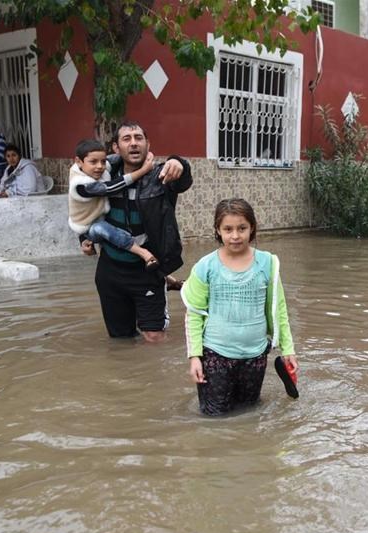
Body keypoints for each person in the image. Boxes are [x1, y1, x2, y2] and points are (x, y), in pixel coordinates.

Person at [181, 198, 298, 416]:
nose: (235, 236)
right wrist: (195, 357)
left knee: (249, 413)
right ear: (218, 230)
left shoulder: (267, 264)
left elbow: (279, 309)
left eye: (242, 228)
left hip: (255, 356)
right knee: (213, 416)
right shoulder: (205, 266)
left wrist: (288, 349)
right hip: (215, 354)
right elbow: (194, 315)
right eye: (228, 229)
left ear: (252, 228)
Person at [80, 121, 191, 341]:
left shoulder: (162, 176)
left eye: (139, 138)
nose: (133, 143)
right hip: (110, 271)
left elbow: (184, 180)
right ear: (115, 148)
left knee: (155, 337)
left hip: (147, 271)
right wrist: (84, 238)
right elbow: (83, 208)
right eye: (127, 139)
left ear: (148, 144)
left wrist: (178, 162)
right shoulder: (102, 177)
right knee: (120, 340)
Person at [69, 138, 160, 270]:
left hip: (99, 219)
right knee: (100, 228)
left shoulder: (95, 168)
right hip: (88, 228)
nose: (100, 166)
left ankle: (167, 278)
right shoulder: (80, 184)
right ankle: (143, 253)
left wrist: (147, 154)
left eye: (103, 161)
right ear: (78, 161)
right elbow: (111, 188)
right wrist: (143, 170)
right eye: (93, 162)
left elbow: (119, 157)